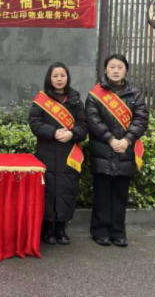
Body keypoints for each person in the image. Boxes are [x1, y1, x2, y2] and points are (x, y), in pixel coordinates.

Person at [85, 54, 149, 247]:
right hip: (102, 149)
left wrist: (127, 140)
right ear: (105, 69)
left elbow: (141, 120)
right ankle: (100, 231)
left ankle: (118, 232)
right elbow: (93, 120)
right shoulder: (95, 95)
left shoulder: (135, 95)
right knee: (102, 193)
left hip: (125, 150)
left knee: (120, 194)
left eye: (120, 67)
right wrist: (111, 139)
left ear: (126, 70)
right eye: (112, 66)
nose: (115, 70)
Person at [29, 62, 88, 245]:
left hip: (69, 153)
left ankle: (61, 228)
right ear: (50, 78)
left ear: (67, 77)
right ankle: (48, 229)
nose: (59, 79)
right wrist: (53, 132)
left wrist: (72, 134)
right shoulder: (41, 100)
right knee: (47, 190)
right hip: (46, 152)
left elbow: (84, 126)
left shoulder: (76, 101)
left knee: (66, 189)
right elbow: (35, 123)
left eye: (62, 75)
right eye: (55, 76)